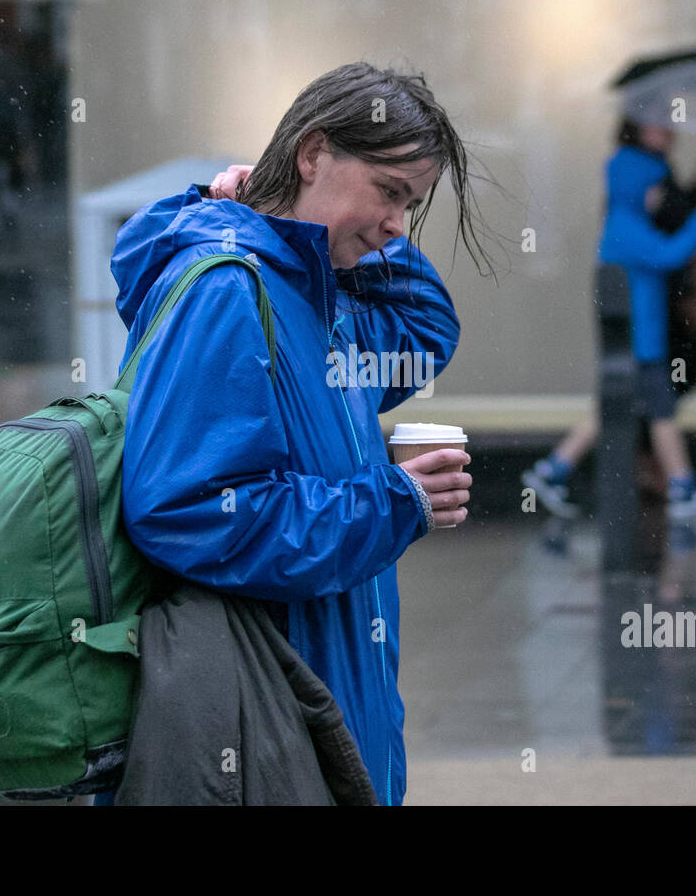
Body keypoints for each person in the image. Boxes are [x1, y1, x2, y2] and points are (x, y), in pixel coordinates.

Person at [107, 62, 494, 806]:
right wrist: (393, 502)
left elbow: (427, 326)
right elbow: (187, 509)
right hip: (267, 729)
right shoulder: (228, 290)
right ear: (313, 154)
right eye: (389, 193)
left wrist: (296, 219)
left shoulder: (326, 303)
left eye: (410, 206)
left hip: (319, 712)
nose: (396, 227)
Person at [522, 119, 696, 520]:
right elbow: (669, 255)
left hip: (642, 339)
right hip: (642, 341)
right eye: (652, 187)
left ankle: (553, 470)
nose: (657, 193)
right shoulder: (626, 225)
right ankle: (682, 488)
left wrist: (692, 196)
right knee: (661, 413)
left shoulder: (626, 221)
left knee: (619, 409)